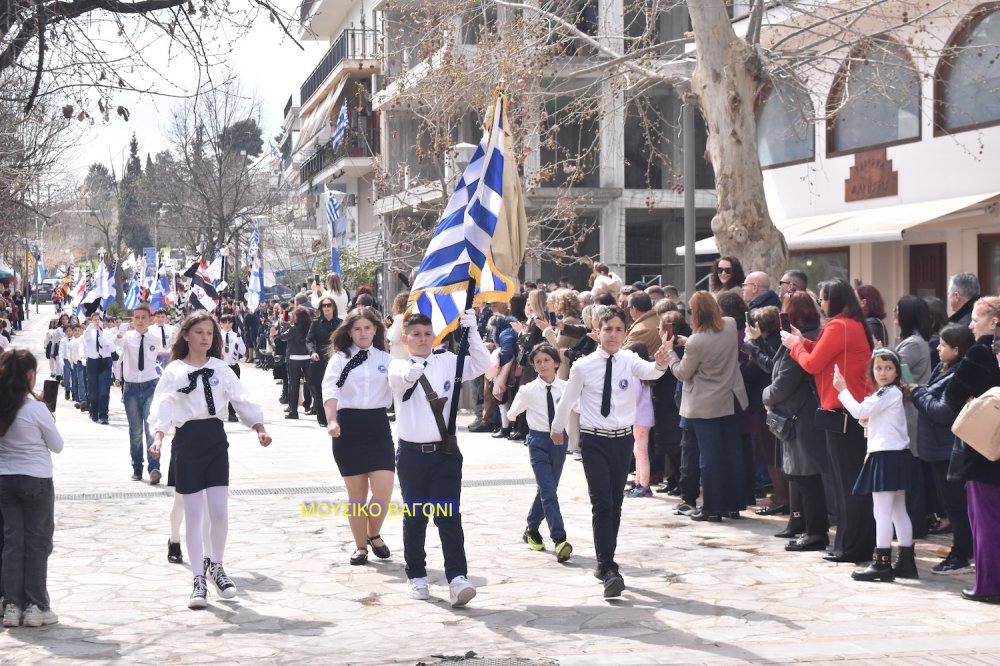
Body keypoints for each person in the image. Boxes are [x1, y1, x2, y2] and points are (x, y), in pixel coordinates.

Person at [148, 311, 271, 609]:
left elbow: (241, 398)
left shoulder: (221, 368)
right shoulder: (174, 370)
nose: (205, 337)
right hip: (187, 441)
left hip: (215, 439)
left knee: (218, 512)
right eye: (199, 332)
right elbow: (163, 405)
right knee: (193, 514)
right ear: (186, 335)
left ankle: (216, 566)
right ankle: (197, 580)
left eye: (209, 333)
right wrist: (159, 436)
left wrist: (258, 426)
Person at [551, 306, 671, 598]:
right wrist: (557, 429)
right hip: (594, 440)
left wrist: (660, 363)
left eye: (619, 329)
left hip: (622, 441)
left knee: (615, 504)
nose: (613, 335)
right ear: (597, 331)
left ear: (625, 332)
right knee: (602, 503)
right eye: (608, 329)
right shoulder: (583, 366)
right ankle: (607, 567)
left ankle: (606, 558)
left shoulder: (629, 360)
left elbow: (651, 372)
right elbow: (567, 400)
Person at [388, 310, 489, 607]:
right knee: (416, 516)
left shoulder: (446, 361)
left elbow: (481, 364)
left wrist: (472, 332)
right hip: (412, 456)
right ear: (405, 338)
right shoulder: (399, 364)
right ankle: (416, 574)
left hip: (444, 454)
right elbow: (397, 380)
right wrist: (410, 374)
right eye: (416, 335)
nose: (422, 339)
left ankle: (457, 577)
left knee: (449, 516)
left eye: (427, 334)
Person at [782, 279, 875, 564]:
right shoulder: (850, 324)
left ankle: (851, 547)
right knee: (848, 483)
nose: (821, 304)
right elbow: (823, 352)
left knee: (847, 484)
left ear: (834, 300)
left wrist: (794, 346)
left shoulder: (839, 326)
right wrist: (802, 342)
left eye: (823, 299)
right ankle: (850, 544)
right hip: (850, 411)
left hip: (844, 413)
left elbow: (812, 364)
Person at [663, 292, 749, 523]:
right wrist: (688, 342)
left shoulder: (697, 341)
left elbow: (682, 373)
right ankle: (733, 504)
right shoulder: (729, 325)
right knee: (731, 453)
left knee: (709, 458)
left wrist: (670, 352)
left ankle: (712, 507)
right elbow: (711, 345)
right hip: (730, 398)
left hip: (704, 405)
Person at [833, 348, 918, 582]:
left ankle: (882, 563)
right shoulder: (891, 393)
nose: (883, 372)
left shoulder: (888, 393)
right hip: (896, 455)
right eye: (878, 368)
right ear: (872, 370)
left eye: (888, 368)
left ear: (897, 371)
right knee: (898, 511)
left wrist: (843, 390)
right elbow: (870, 417)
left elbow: (859, 410)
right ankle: (906, 562)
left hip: (886, 456)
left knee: (882, 512)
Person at [322, 307, 394, 566]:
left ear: (375, 330)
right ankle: (361, 546)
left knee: (383, 492)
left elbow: (402, 384)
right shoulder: (340, 359)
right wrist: (332, 420)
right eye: (357, 329)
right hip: (348, 428)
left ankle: (374, 533)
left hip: (378, 426)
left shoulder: (387, 360)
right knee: (357, 496)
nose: (363, 333)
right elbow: (330, 389)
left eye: (367, 328)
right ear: (349, 332)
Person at [0, 349, 63, 627]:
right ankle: (36, 605)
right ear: (30, 376)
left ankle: (12, 604)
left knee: (12, 542)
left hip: (5, 479)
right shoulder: (35, 409)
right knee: (38, 542)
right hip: (36, 479)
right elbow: (57, 445)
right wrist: (47, 414)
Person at [944, 296, 1000, 604]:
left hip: (983, 448)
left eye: (976, 319)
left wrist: (973, 402)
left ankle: (988, 585)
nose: (970, 325)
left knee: (986, 521)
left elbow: (952, 395)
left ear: (994, 322)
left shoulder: (980, 352)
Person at [762, 292, 828, 552]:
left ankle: (815, 533)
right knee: (798, 474)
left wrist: (766, 396)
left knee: (807, 475)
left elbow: (784, 382)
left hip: (801, 415)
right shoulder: (800, 335)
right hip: (796, 414)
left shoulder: (803, 338)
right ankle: (803, 525)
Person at [909, 324, 976, 575]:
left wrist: (917, 393)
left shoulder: (960, 373)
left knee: (956, 505)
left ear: (957, 350)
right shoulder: (942, 367)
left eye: (943, 345)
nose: (937, 349)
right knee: (951, 504)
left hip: (947, 449)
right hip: (936, 449)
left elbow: (942, 411)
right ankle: (962, 549)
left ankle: (961, 554)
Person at [507, 344, 573, 562]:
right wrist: (520, 406)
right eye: (538, 362)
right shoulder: (528, 390)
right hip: (538, 441)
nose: (543, 365)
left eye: (546, 360)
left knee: (548, 489)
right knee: (548, 490)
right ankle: (559, 538)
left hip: (560, 441)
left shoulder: (566, 388)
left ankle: (531, 528)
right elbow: (512, 413)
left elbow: (581, 407)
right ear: (534, 367)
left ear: (556, 363)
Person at [116, 304, 167, 483]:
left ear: (150, 320)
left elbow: (165, 355)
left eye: (143, 317)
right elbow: (116, 343)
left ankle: (154, 467)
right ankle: (137, 467)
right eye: (136, 317)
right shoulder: (128, 338)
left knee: (151, 427)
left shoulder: (155, 339)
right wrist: (121, 332)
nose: (140, 321)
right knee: (136, 430)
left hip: (150, 387)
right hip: (131, 388)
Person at [625, 342, 656, 498]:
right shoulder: (644, 373)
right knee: (638, 451)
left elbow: (634, 397)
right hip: (643, 418)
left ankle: (644, 485)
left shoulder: (637, 375)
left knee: (641, 452)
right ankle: (639, 482)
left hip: (640, 418)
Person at [308, 296, 343, 428]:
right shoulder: (316, 323)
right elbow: (309, 340)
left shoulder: (340, 323)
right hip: (319, 358)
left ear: (333, 307)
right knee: (318, 389)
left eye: (329, 305)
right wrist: (312, 352)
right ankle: (322, 418)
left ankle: (336, 416)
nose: (326, 308)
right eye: (324, 305)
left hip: (336, 358)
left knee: (336, 387)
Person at [278, 306, 313, 420]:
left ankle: (294, 411)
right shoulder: (310, 327)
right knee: (310, 383)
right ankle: (313, 406)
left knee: (294, 385)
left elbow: (282, 337)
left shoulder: (293, 328)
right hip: (307, 357)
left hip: (294, 358)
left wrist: (283, 324)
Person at [83, 312, 115, 424]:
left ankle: (103, 415)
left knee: (104, 390)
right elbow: (86, 338)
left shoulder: (107, 332)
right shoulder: (89, 332)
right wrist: (90, 328)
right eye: (95, 320)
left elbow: (112, 348)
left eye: (99, 320)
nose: (97, 322)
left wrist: (104, 339)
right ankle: (94, 412)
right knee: (93, 390)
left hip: (105, 361)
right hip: (93, 361)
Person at [219, 314, 247, 424]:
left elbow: (243, 351)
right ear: (220, 324)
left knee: (233, 391)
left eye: (229, 322)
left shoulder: (236, 336)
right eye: (224, 322)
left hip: (233, 365)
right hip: (221, 366)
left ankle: (232, 413)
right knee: (219, 390)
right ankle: (219, 412)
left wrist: (239, 341)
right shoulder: (217, 336)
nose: (227, 325)